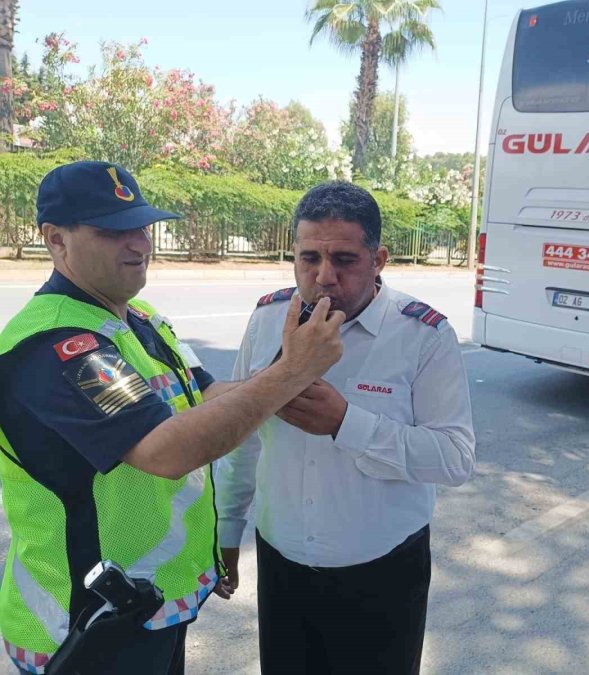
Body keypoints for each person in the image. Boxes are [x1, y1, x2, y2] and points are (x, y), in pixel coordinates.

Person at [0, 161, 345, 675]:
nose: (139, 244)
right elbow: (166, 450)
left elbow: (208, 397)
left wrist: (291, 367)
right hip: (84, 624)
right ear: (56, 240)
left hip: (146, 604)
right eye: (113, 231)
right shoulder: (60, 346)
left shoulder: (140, 321)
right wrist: (292, 373)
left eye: (142, 225)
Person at [215, 181, 476, 674]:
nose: (324, 277)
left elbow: (455, 458)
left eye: (345, 260)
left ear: (379, 259)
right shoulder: (270, 318)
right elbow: (243, 439)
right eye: (309, 257)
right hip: (282, 562)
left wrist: (346, 423)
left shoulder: (423, 334)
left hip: (382, 571)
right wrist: (228, 530)